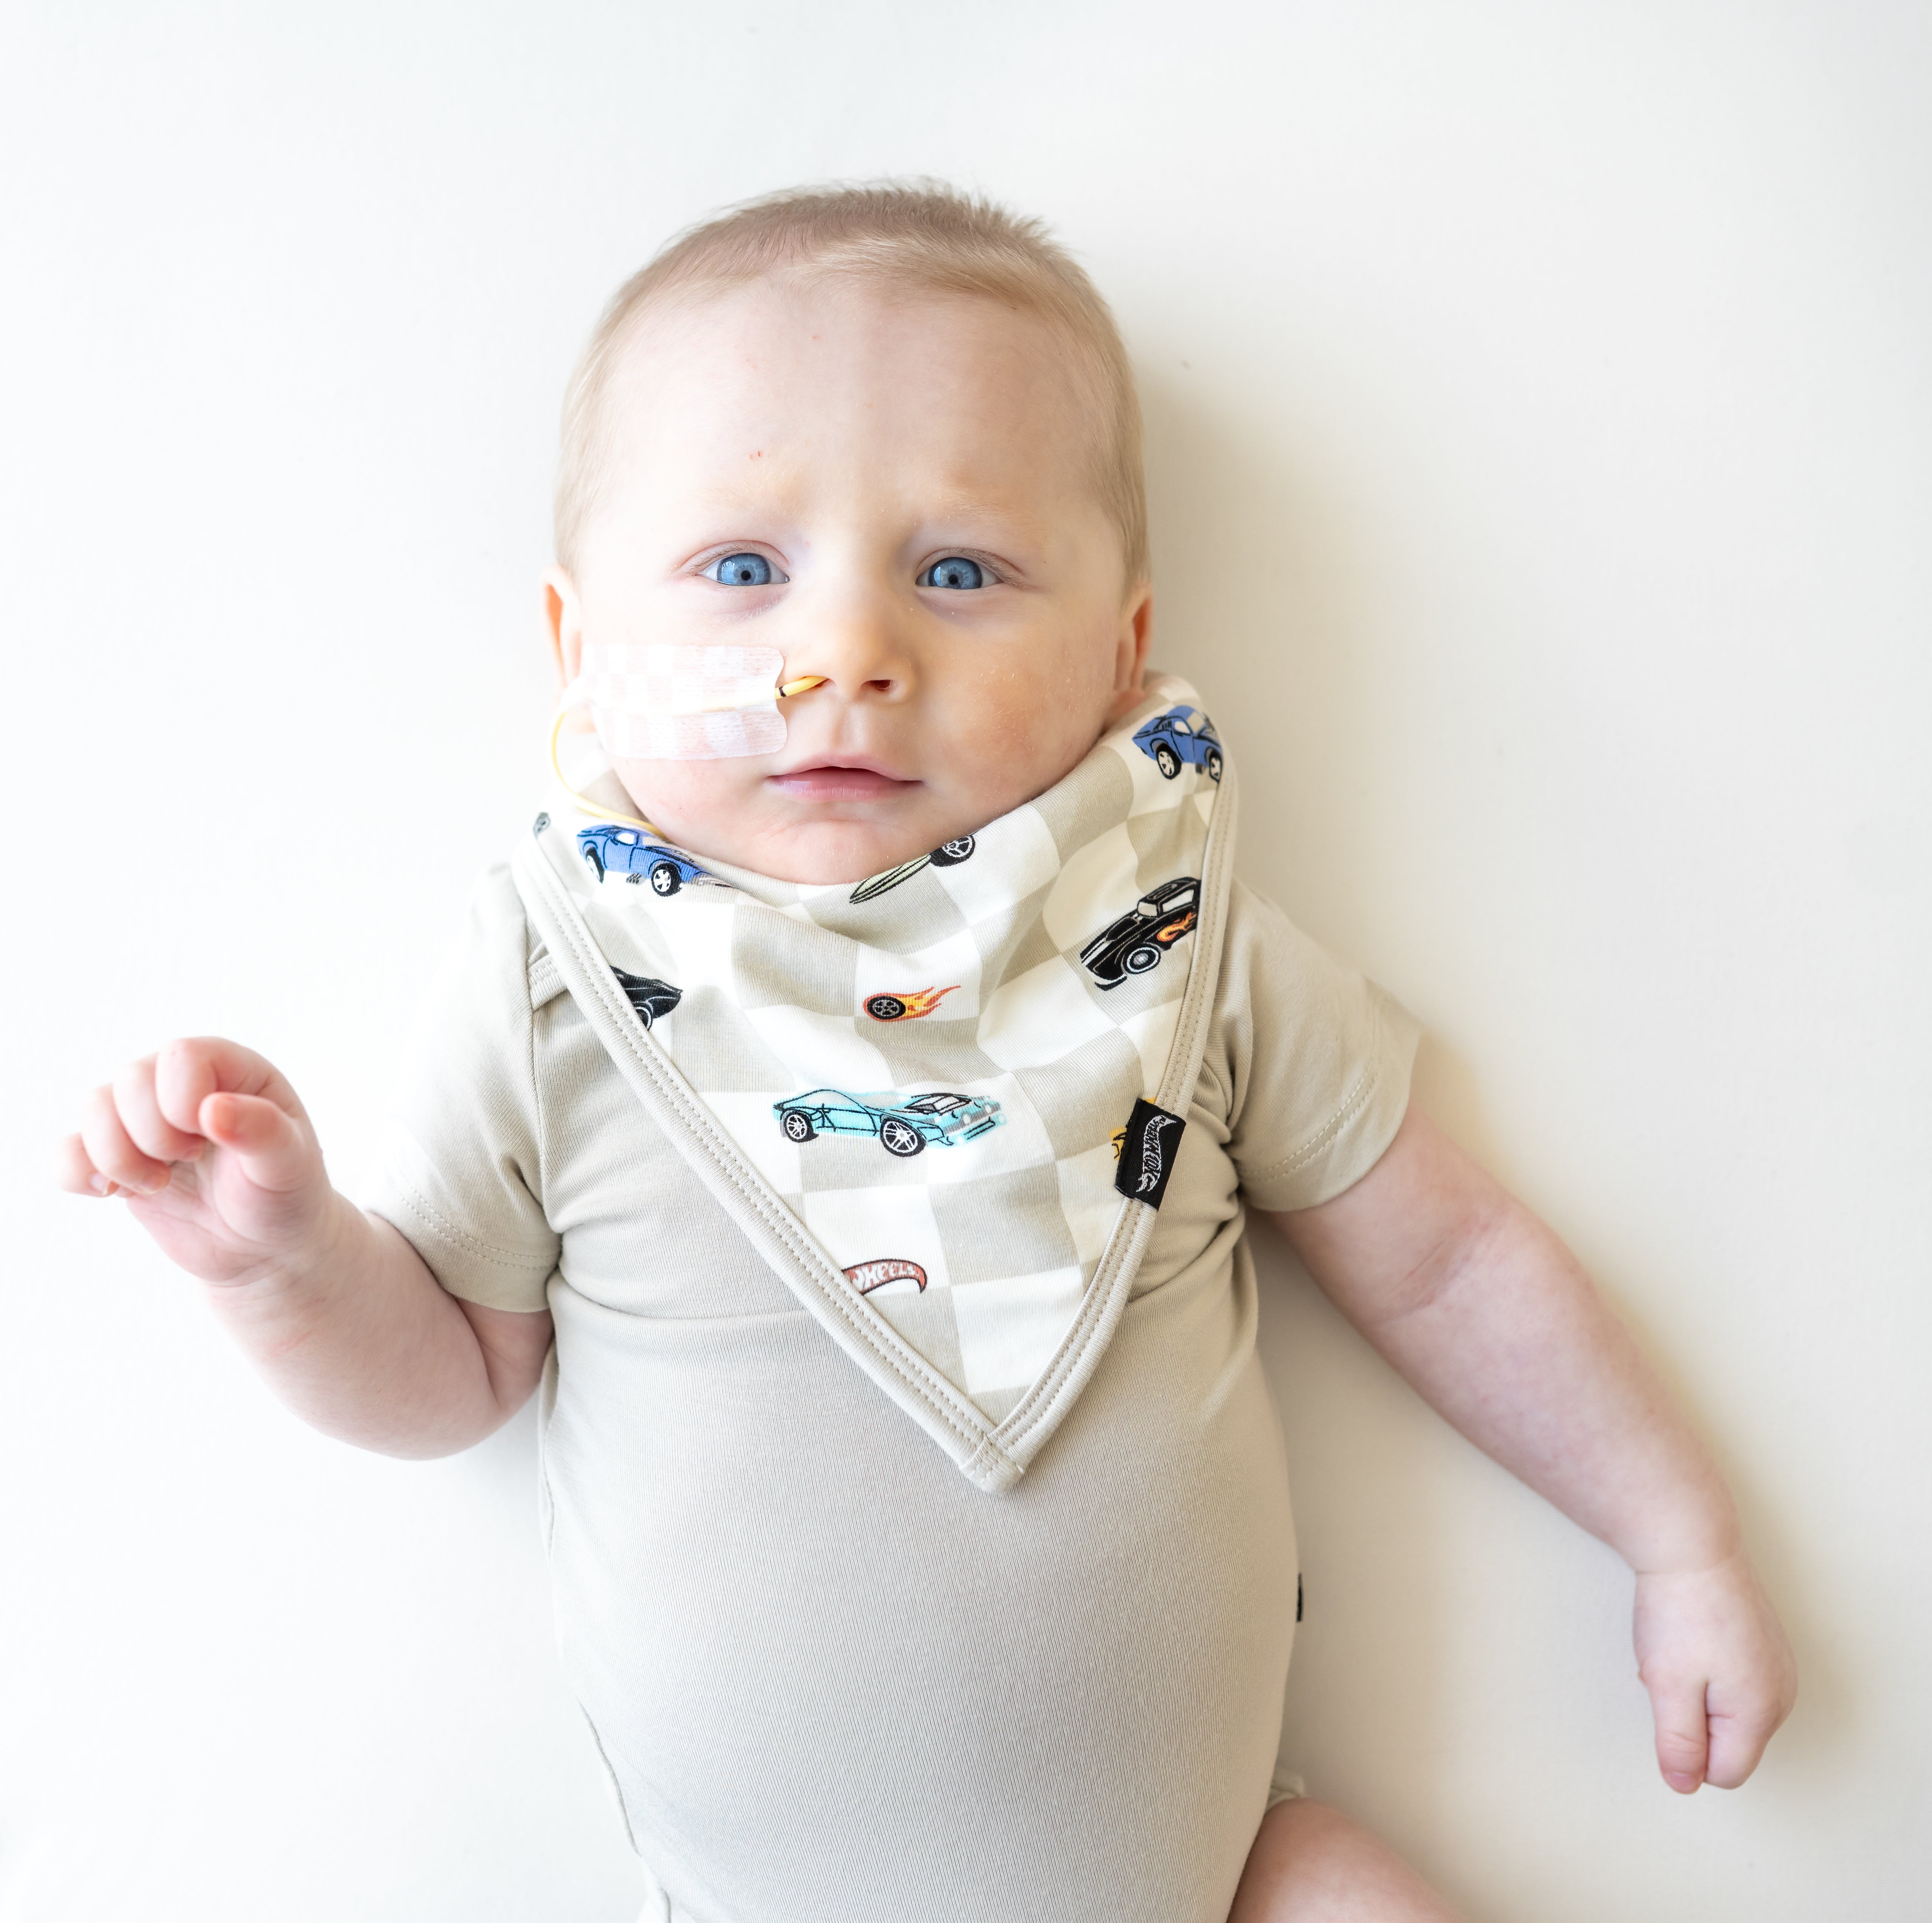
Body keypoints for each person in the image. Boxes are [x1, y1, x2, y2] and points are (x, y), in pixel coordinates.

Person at [56, 183, 1794, 1922]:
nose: (845, 656)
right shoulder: (561, 975)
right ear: (582, 650)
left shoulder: (1173, 950)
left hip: (1221, 1871)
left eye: (959, 572)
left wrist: (1673, 1533)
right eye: (742, 570)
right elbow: (450, 1379)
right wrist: (283, 1267)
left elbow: (1452, 1260)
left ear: (1121, 654)